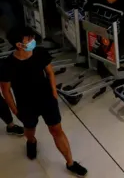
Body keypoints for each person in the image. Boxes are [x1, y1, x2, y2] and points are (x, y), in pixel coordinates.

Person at [0, 27, 87, 177]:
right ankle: (31, 141)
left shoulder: (40, 53)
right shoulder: (7, 65)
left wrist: (53, 93)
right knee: (29, 130)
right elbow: (6, 90)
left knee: (56, 130)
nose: (33, 41)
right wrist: (15, 110)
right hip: (26, 105)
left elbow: (50, 72)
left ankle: (70, 163)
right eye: (29, 39)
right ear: (18, 44)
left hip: (46, 100)